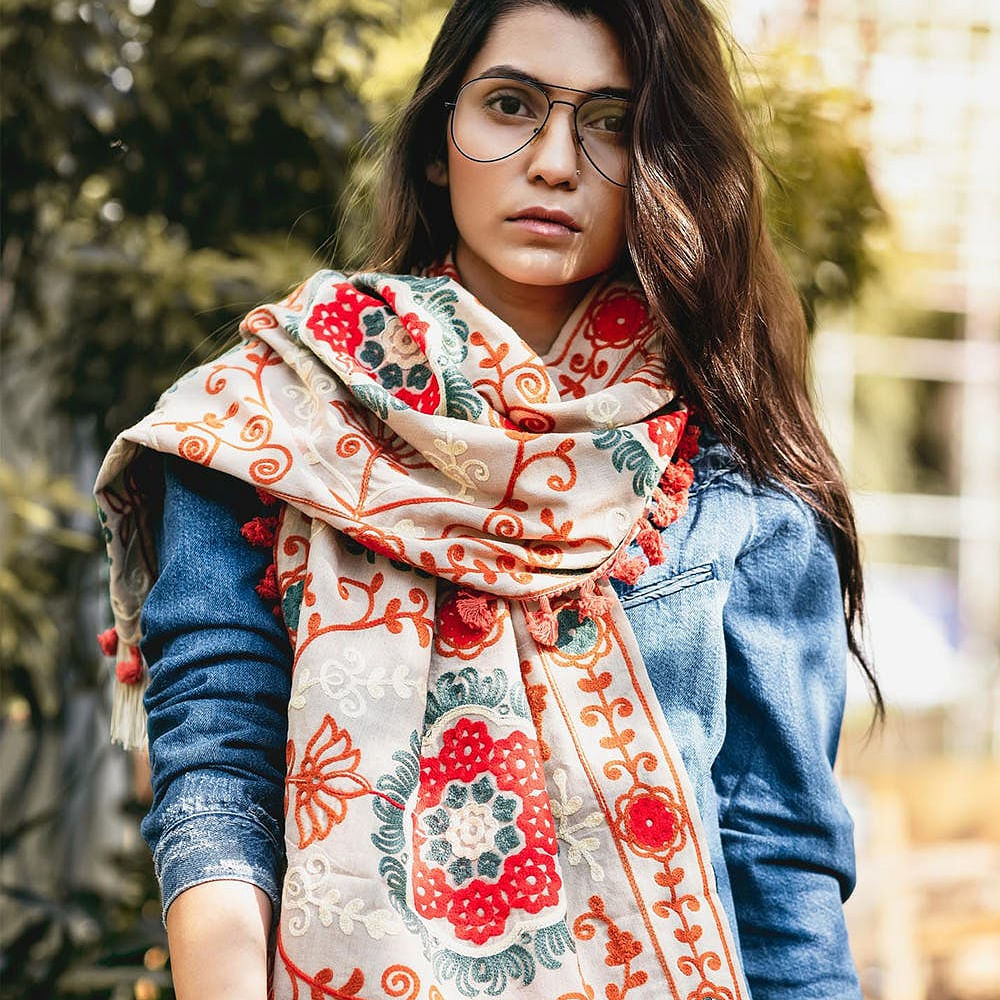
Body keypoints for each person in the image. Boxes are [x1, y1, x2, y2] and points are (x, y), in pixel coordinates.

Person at [94, 2, 880, 998]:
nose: (554, 162)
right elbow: (217, 786)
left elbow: (780, 881)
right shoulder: (270, 425)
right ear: (436, 146)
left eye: (610, 122)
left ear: (662, 162)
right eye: (510, 106)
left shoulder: (740, 482)